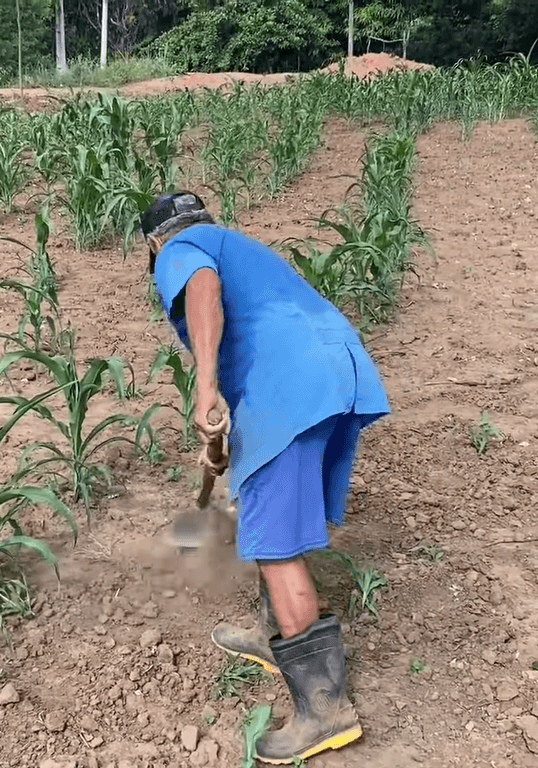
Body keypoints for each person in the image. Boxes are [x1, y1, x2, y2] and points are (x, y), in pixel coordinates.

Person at [139, 191, 391, 764]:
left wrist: (204, 388)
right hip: (333, 368)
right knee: (264, 507)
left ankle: (326, 712)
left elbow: (201, 288)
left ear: (154, 243)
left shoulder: (181, 248)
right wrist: (222, 433)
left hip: (290, 385)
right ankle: (269, 635)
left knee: (276, 543)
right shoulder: (238, 245)